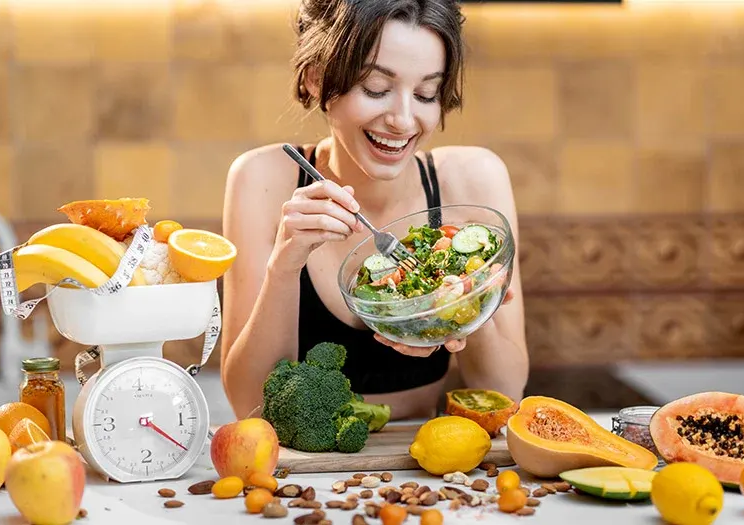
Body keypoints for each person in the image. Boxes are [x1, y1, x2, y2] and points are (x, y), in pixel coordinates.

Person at [220, 0, 528, 422]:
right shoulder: (263, 179)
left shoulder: (474, 179)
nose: (403, 120)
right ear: (316, 79)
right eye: (376, 89)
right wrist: (284, 267)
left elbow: (505, 392)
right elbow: (249, 405)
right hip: (303, 472)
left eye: (426, 94)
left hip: (426, 466)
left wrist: (470, 307)